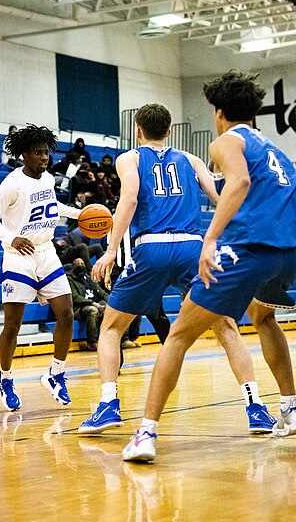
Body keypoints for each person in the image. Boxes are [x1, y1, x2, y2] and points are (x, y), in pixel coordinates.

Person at [122, 71, 296, 462]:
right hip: (289, 249)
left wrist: (212, 238)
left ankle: (145, 434)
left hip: (250, 249)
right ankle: (290, 406)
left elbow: (239, 184)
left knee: (180, 334)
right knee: (263, 318)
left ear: (218, 112)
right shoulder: (276, 149)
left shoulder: (225, 142)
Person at [78, 102, 275, 436]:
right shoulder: (191, 159)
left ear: (138, 129)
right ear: (169, 130)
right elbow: (219, 196)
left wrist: (111, 250)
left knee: (111, 328)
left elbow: (128, 201)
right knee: (226, 327)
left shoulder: (130, 158)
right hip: (192, 248)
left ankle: (108, 405)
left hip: (151, 249)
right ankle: (255, 407)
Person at [0, 124, 80, 412]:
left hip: (46, 251)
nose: (44, 157)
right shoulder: (11, 184)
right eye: (38, 153)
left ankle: (56, 374)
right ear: (24, 154)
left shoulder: (48, 179)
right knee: (13, 324)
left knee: (66, 313)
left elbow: (54, 207)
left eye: (46, 153)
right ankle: (6, 377)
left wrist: (80, 213)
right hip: (17, 255)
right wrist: (12, 238)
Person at [67, 258, 109, 351]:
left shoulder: (89, 278)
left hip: (95, 305)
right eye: (78, 264)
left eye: (82, 263)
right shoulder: (70, 279)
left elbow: (101, 292)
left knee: (109, 310)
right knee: (92, 310)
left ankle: (107, 340)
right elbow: (75, 297)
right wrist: (92, 303)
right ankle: (92, 342)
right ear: (73, 267)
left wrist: (112, 301)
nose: (81, 266)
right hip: (78, 309)